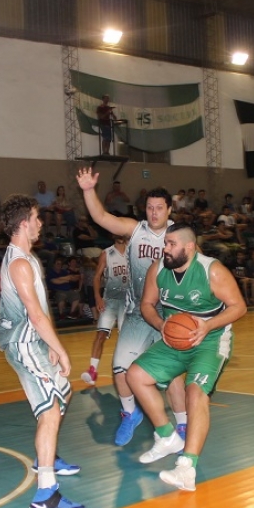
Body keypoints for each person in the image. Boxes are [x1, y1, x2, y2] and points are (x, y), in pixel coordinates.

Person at [126, 223, 246, 491]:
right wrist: (161, 325)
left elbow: (239, 307)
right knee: (135, 375)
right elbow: (147, 304)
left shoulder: (212, 270)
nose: (165, 249)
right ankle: (167, 437)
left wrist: (208, 326)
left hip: (210, 340)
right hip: (175, 339)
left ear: (189, 247)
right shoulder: (158, 269)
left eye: (171, 244)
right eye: (165, 244)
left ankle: (186, 467)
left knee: (195, 392)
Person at [76, 167, 187, 447]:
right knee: (120, 369)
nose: (154, 213)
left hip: (169, 313)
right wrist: (88, 190)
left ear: (169, 209)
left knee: (173, 376)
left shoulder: (180, 237)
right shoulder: (135, 230)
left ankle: (183, 426)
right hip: (138, 313)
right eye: (149, 208)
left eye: (159, 208)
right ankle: (130, 413)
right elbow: (101, 217)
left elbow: (198, 271)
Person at [0, 195, 85, 508]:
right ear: (24, 223)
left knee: (64, 391)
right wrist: (61, 350)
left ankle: (46, 455)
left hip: (34, 340)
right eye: (36, 217)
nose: (41, 223)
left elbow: (41, 311)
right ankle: (46, 493)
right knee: (49, 412)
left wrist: (51, 343)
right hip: (22, 343)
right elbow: (34, 315)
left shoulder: (29, 258)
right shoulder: (19, 264)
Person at [81, 233, 129, 384]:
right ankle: (92, 370)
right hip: (110, 301)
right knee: (100, 334)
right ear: (113, 235)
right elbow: (97, 277)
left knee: (126, 338)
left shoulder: (133, 252)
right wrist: (97, 297)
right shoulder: (107, 253)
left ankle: (126, 369)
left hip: (127, 301)